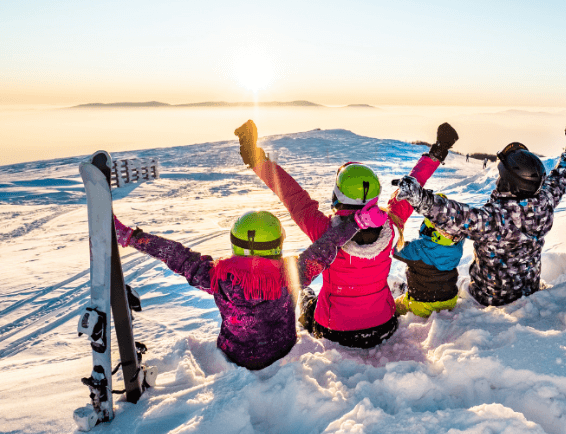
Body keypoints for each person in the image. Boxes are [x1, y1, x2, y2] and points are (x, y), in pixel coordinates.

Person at [234, 120, 458, 348]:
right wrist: (437, 151)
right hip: (383, 326)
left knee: (308, 297)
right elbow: (412, 186)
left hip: (334, 330)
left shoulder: (324, 232)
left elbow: (292, 196)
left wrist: (256, 159)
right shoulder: (391, 225)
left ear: (338, 195)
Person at [112, 207, 384, 370]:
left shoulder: (216, 275)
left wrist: (132, 237)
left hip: (235, 354)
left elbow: (175, 254)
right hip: (282, 351)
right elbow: (326, 247)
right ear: (277, 244)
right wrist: (356, 223)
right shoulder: (292, 274)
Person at [393, 125, 566, 307]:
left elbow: (456, 216)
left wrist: (420, 198)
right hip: (529, 288)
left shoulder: (495, 219)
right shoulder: (545, 200)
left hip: (489, 297)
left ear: (509, 184)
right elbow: (563, 174)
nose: (498, 179)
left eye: (501, 176)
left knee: (458, 289)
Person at [393, 197, 465, 317]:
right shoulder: (457, 246)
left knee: (394, 306)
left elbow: (394, 250)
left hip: (421, 304)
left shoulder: (417, 249)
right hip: (449, 301)